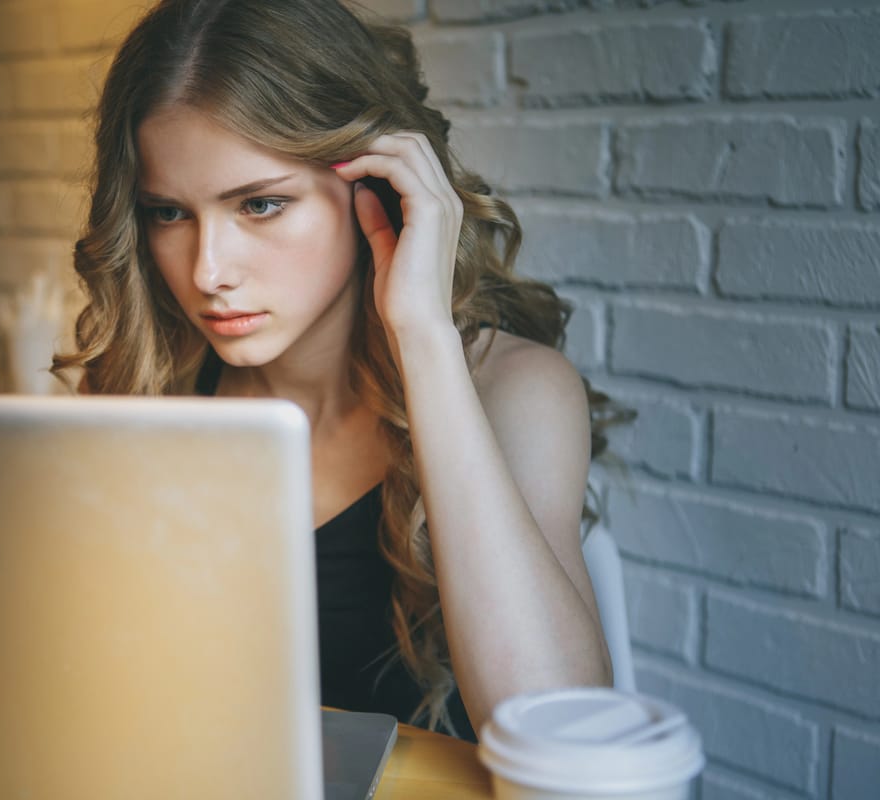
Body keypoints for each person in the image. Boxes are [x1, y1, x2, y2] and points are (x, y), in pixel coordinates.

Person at [46, 0, 613, 740]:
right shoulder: (144, 389)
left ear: (372, 190)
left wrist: (424, 339)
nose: (208, 270)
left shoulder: (512, 390)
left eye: (261, 205)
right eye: (168, 214)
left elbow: (562, 733)